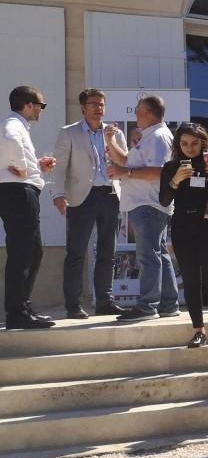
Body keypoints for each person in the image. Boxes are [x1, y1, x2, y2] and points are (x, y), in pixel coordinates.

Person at [160, 124, 208, 347]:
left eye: (195, 143)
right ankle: (199, 330)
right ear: (178, 145)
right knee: (191, 281)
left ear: (203, 143)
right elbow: (164, 200)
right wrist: (175, 180)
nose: (189, 148)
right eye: (184, 143)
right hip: (183, 227)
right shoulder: (171, 166)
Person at [105, 94, 180, 324]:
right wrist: (110, 140)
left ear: (147, 112)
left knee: (149, 256)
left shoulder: (157, 137)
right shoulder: (151, 136)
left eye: (137, 110)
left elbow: (159, 172)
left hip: (148, 203)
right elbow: (127, 160)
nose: (135, 114)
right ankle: (169, 304)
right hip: (146, 203)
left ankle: (147, 306)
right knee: (159, 254)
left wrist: (124, 174)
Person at [52, 88, 124, 318]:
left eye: (102, 104)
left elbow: (125, 161)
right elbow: (59, 166)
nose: (98, 108)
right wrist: (58, 194)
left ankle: (105, 301)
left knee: (108, 252)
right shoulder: (69, 133)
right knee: (76, 252)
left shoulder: (114, 133)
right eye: (94, 104)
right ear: (83, 107)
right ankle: (73, 306)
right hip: (82, 197)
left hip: (111, 195)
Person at [1, 86, 58, 329]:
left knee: (31, 252)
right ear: (28, 105)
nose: (42, 111)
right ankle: (17, 312)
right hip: (19, 193)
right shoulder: (13, 124)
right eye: (41, 106)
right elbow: (9, 140)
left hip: (16, 191)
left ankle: (21, 308)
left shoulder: (16, 124)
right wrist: (23, 168)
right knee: (24, 253)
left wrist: (34, 166)